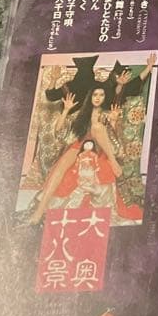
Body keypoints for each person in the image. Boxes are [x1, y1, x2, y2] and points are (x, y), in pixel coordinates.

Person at [27, 86, 142, 225]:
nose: (98, 97)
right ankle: (39, 212)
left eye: (101, 95)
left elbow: (115, 142)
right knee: (60, 167)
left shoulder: (107, 114)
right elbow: (59, 132)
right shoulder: (82, 114)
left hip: (101, 149)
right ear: (90, 97)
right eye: (95, 94)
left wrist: (113, 122)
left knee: (97, 127)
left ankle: (113, 162)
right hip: (81, 145)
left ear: (105, 97)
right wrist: (66, 110)